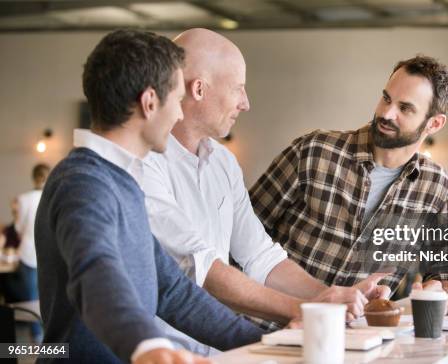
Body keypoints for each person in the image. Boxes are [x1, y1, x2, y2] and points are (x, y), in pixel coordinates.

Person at [141, 28, 389, 354]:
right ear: (198, 89)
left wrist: (334, 296)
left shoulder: (223, 163)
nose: (246, 103)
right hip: (155, 353)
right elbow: (198, 268)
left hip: (218, 351)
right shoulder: (143, 160)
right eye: (238, 89)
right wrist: (310, 309)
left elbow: (261, 257)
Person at [34, 29, 263, 364]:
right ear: (150, 102)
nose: (180, 114)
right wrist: (145, 346)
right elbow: (97, 275)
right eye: (175, 98)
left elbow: (172, 291)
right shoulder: (83, 184)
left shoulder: (122, 181)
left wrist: (267, 341)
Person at [250, 55, 448, 303]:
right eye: (386, 98)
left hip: (357, 337)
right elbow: (240, 233)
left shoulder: (437, 187)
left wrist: (439, 291)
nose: (387, 113)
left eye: (405, 108)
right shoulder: (314, 151)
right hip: (270, 327)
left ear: (434, 123)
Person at [7, 164, 50, 341]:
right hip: (50, 255)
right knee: (49, 298)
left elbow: (18, 229)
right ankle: (50, 339)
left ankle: (37, 337)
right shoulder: (53, 196)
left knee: (32, 298)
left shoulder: (24, 199)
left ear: (33, 177)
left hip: (28, 253)